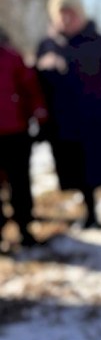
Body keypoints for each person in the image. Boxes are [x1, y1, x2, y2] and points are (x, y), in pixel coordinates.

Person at [36, 0, 101, 229]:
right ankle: (89, 213)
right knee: (79, 171)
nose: (67, 18)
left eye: (71, 12)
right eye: (61, 13)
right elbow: (39, 85)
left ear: (80, 14)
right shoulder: (48, 46)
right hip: (68, 122)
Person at [0, 27, 48, 248]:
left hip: (15, 132)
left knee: (20, 183)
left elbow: (30, 87)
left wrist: (39, 112)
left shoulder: (12, 57)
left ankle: (24, 227)